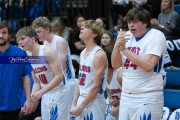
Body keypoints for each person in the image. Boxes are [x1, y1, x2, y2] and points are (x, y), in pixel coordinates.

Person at [111, 7, 166, 119]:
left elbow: (148, 66)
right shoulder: (127, 36)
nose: (131, 25)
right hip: (126, 95)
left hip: (147, 96)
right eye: (129, 22)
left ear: (146, 22)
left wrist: (124, 50)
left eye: (135, 22)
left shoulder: (156, 35)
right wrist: (116, 46)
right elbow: (115, 65)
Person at [16, 26, 70, 120]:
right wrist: (31, 100)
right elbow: (37, 82)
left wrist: (41, 92)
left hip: (59, 93)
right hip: (46, 95)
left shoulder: (47, 51)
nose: (20, 42)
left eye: (23, 39)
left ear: (33, 39)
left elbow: (59, 76)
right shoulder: (29, 55)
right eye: (18, 40)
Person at [32, 16, 76, 119]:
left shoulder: (59, 41)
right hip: (55, 85)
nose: (36, 35)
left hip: (67, 84)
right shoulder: (45, 43)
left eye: (39, 31)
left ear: (47, 29)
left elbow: (61, 67)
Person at [70, 20, 108, 120]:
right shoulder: (82, 53)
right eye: (82, 27)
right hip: (81, 99)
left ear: (94, 34)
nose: (81, 28)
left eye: (86, 27)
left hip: (95, 101)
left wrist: (80, 107)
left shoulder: (99, 54)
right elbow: (80, 80)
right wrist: (74, 104)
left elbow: (96, 86)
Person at [0, 21, 32, 120]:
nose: (0, 35)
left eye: (4, 32)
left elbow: (25, 77)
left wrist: (28, 99)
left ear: (9, 35)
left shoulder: (19, 53)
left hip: (14, 105)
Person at [104, 49, 122, 120]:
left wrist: (119, 109)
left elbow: (133, 97)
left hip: (127, 106)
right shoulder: (103, 76)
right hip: (114, 105)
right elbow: (108, 90)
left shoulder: (119, 75)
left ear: (106, 63)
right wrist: (110, 99)